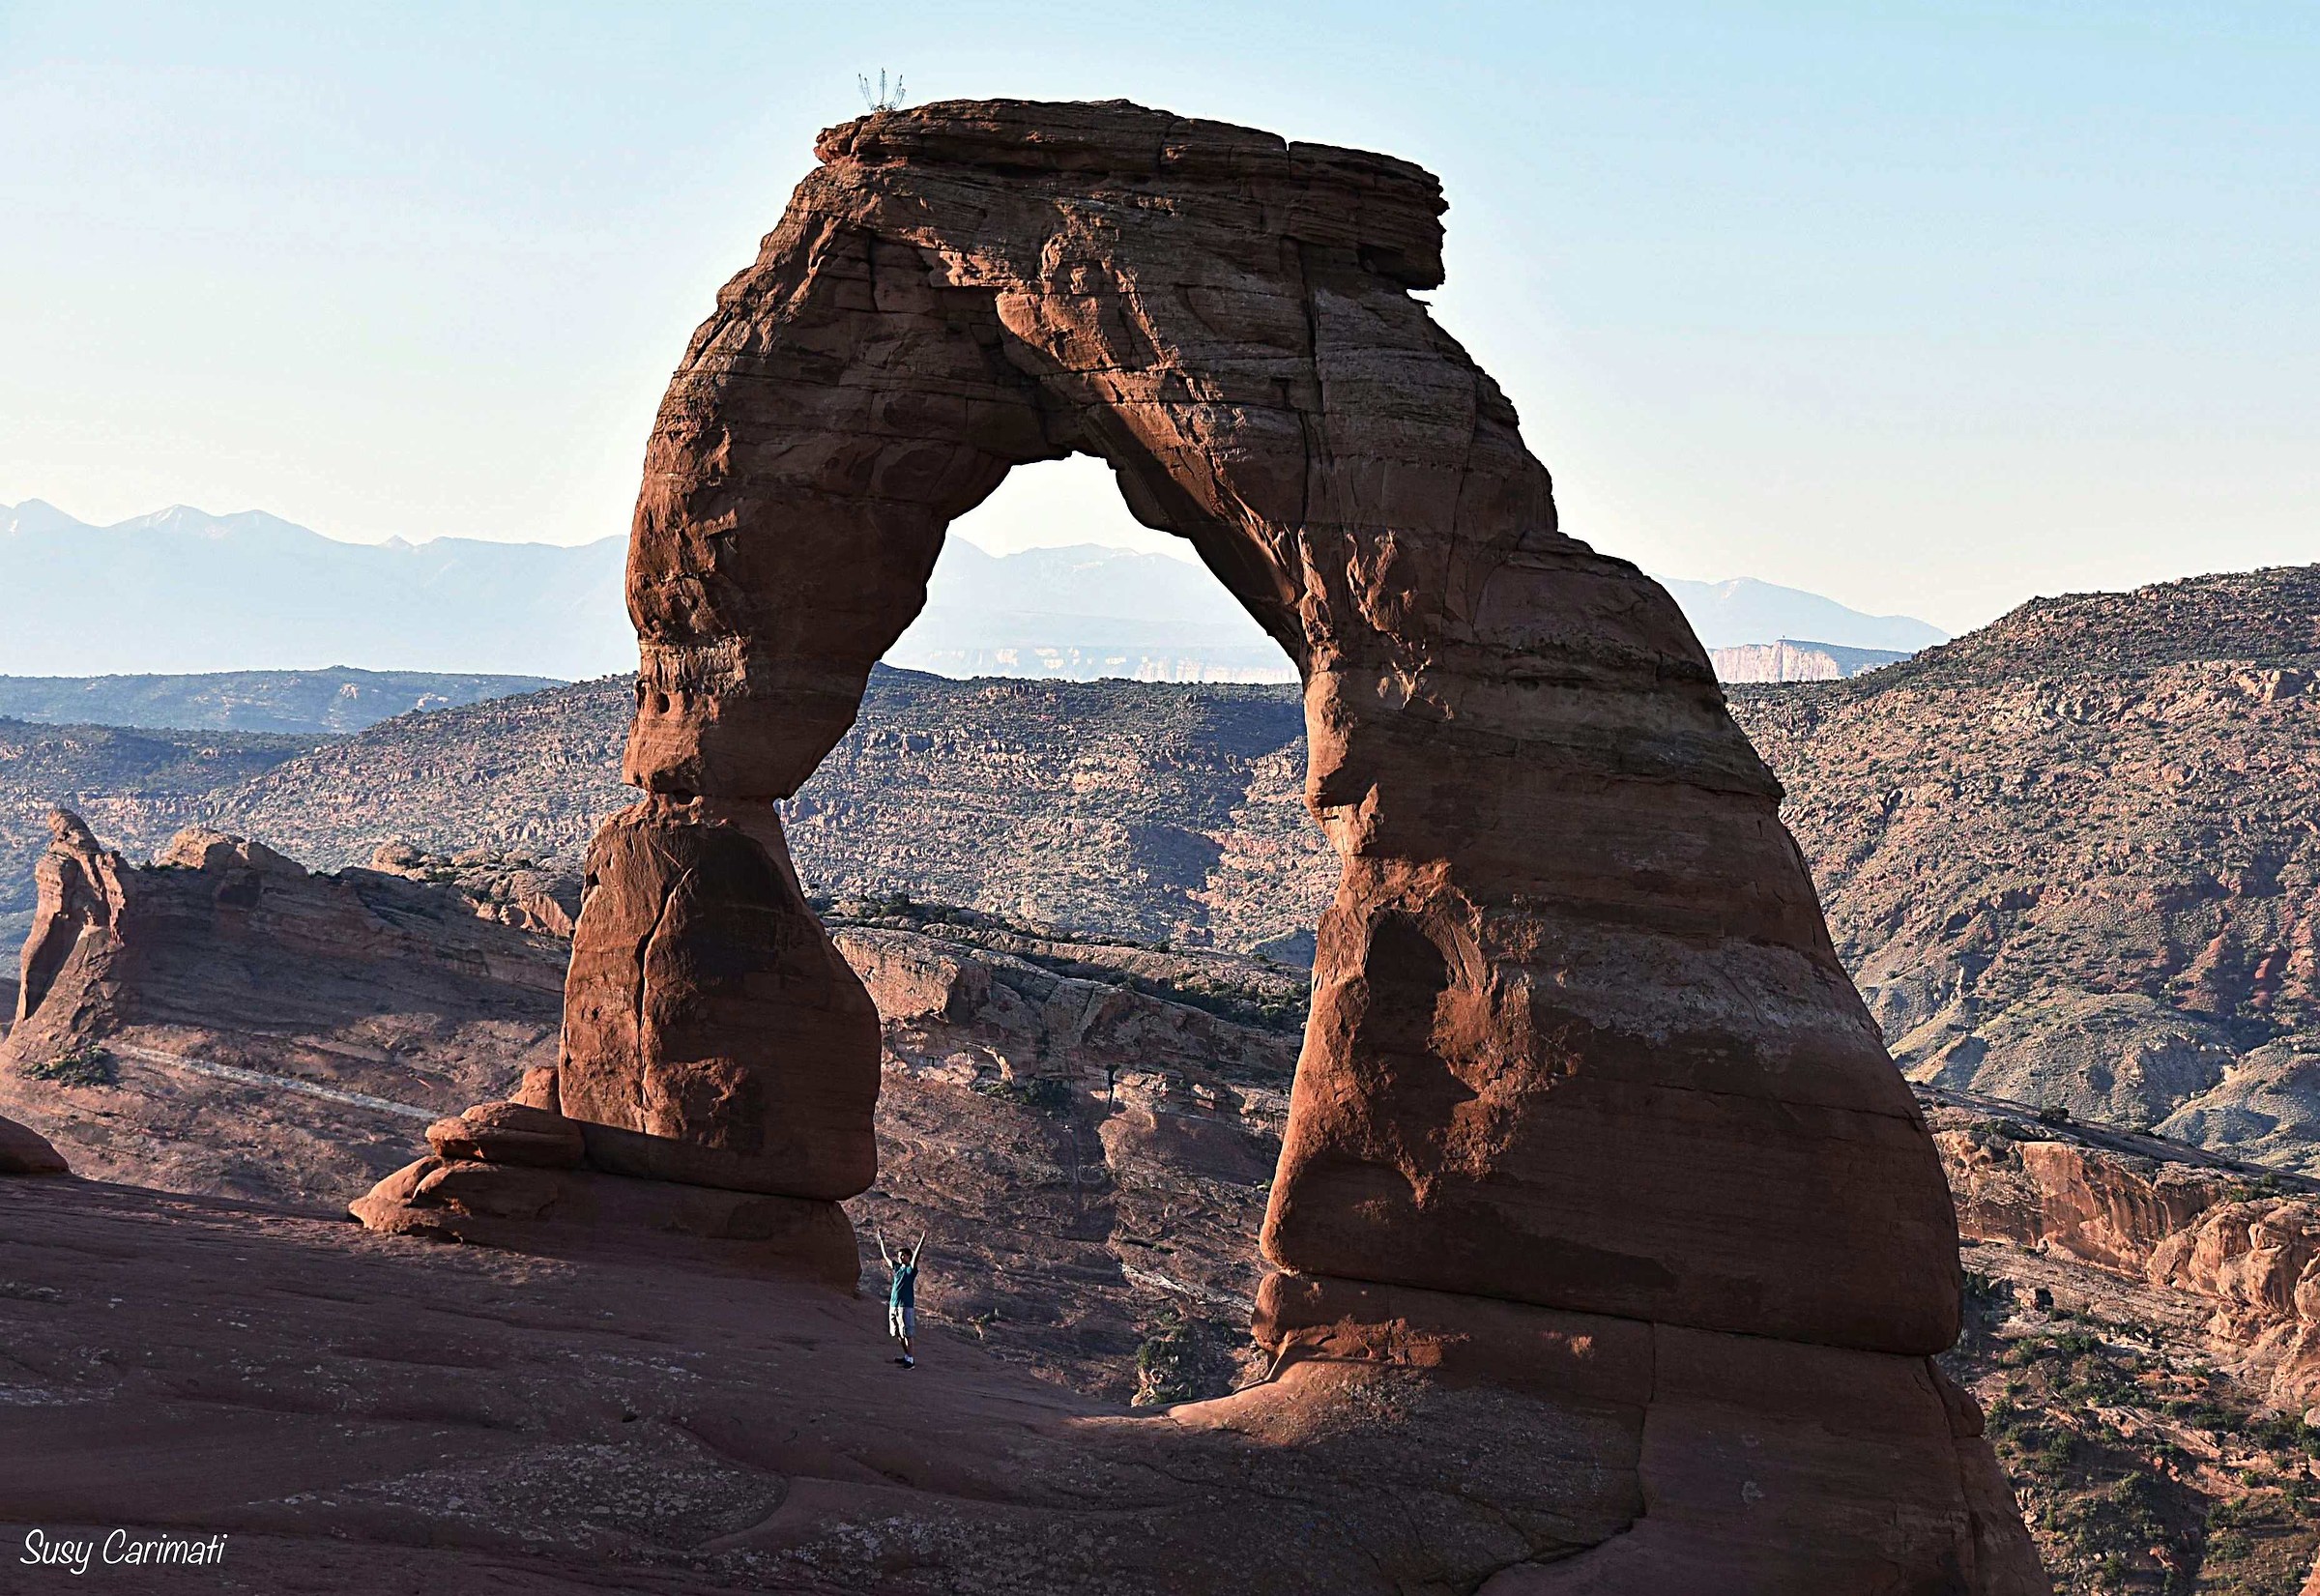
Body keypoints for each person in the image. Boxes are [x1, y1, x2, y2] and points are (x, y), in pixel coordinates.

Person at [877, 1227, 925, 1367]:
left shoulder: (911, 1270)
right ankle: (907, 1356)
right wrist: (881, 1240)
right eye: (899, 1256)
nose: (900, 1257)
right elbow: (885, 1256)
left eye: (903, 1255)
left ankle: (910, 1360)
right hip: (894, 1304)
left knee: (907, 1333)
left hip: (905, 1305)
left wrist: (922, 1240)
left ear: (908, 1257)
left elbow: (916, 1257)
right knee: (897, 1332)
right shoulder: (897, 1268)